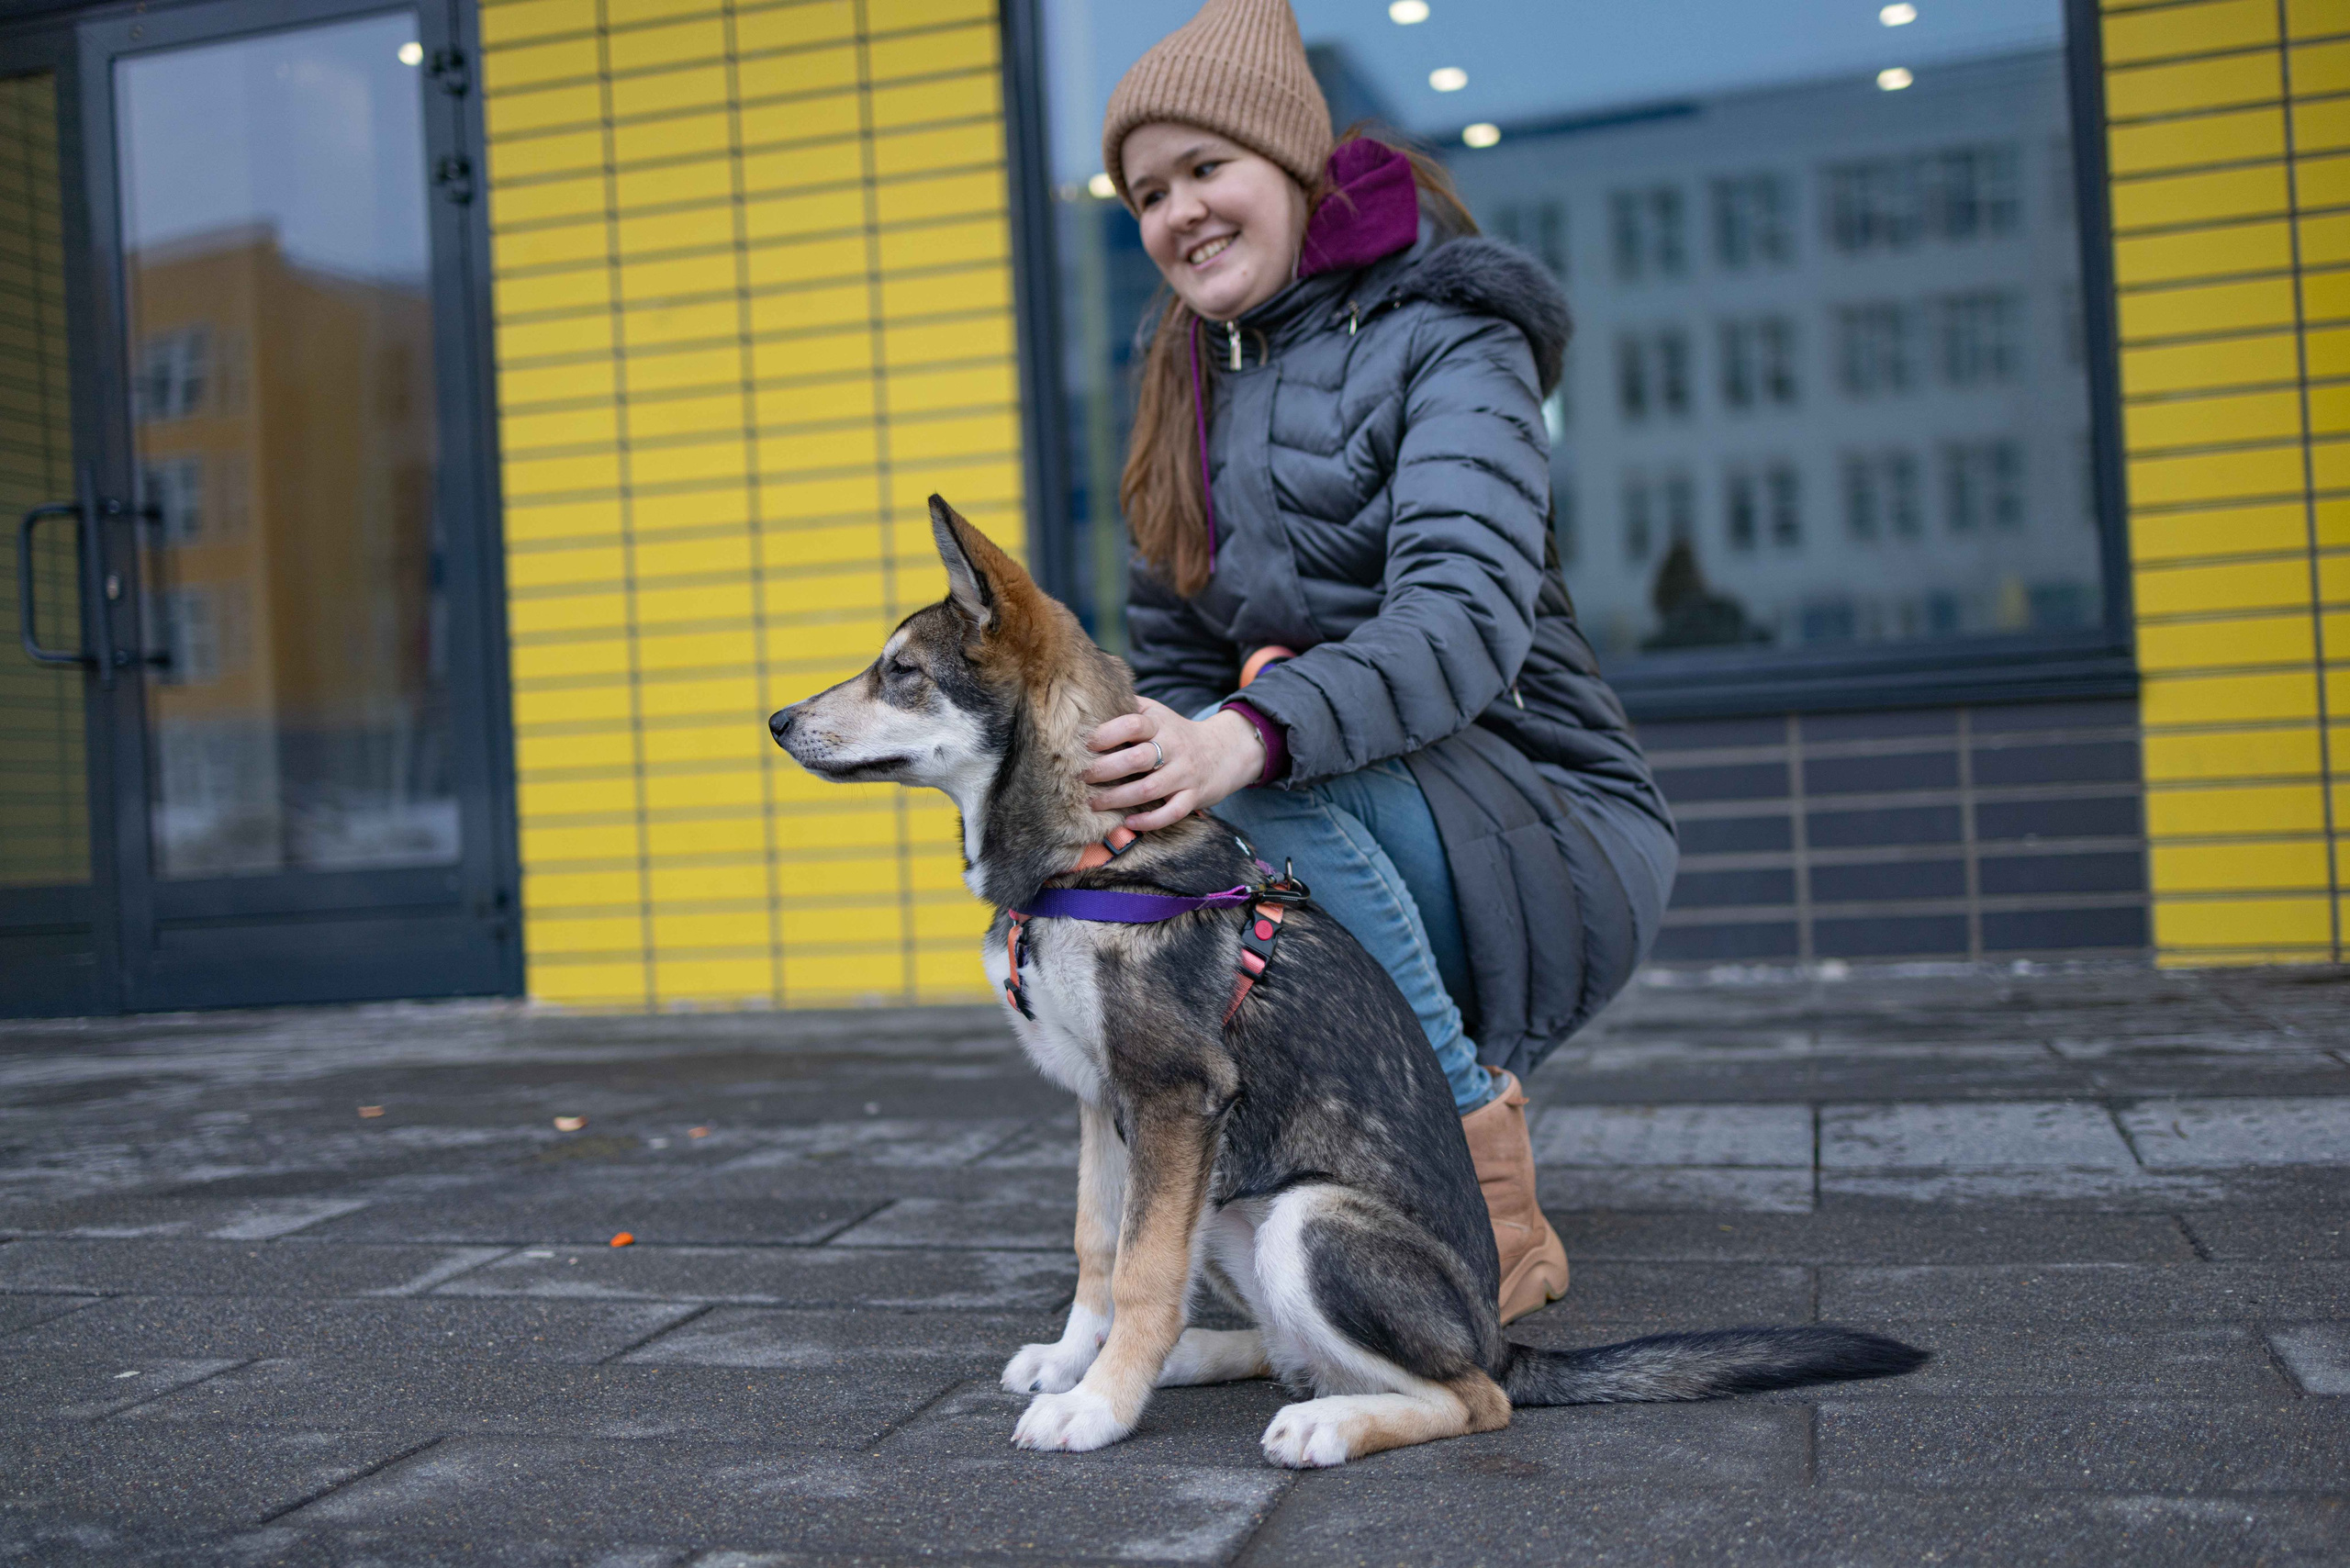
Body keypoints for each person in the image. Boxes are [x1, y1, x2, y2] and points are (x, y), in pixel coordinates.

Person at [1078, 0, 1677, 1323]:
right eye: (1147, 193)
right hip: (1358, 801)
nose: (1179, 213)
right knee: (1154, 811)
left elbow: (1464, 615)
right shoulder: (1182, 373)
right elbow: (1174, 654)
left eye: (1207, 169)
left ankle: (1489, 1204)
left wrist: (1247, 724)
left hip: (1541, 817)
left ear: (1293, 165)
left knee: (1246, 777)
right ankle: (1293, 1181)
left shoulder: (1451, 335)